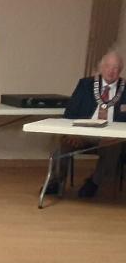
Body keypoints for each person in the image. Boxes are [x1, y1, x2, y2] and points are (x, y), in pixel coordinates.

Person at [53, 50, 126, 198]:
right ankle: (55, 181)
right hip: (84, 133)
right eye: (108, 66)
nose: (111, 71)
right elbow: (70, 113)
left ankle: (94, 182)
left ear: (120, 70)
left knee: (114, 145)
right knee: (62, 142)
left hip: (112, 138)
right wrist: (73, 133)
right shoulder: (86, 84)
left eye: (116, 68)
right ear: (100, 67)